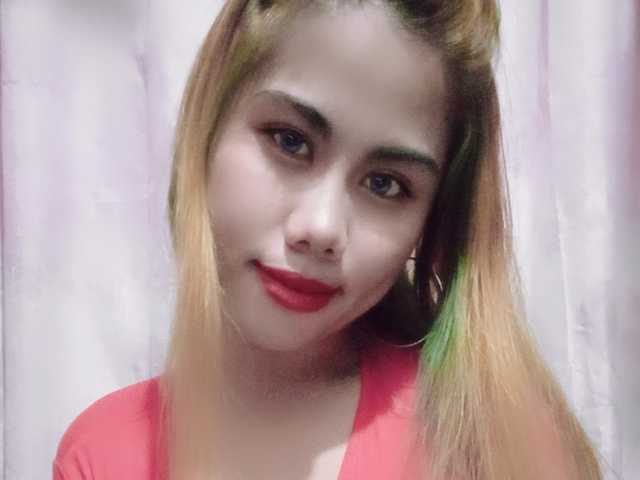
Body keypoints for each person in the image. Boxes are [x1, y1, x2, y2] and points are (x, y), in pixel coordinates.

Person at [53, 1, 603, 479]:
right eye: (290, 141)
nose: (321, 228)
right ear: (209, 124)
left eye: (385, 184)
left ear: (432, 219)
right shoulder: (102, 453)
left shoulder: (496, 439)